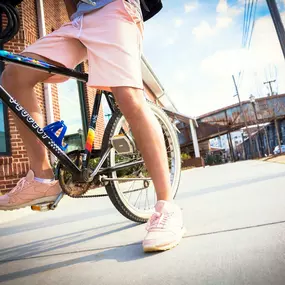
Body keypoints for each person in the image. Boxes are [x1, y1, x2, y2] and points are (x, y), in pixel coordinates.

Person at [0, 0, 184, 252]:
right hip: (78, 21)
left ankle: (167, 207)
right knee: (14, 74)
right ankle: (41, 177)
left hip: (115, 8)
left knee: (128, 97)